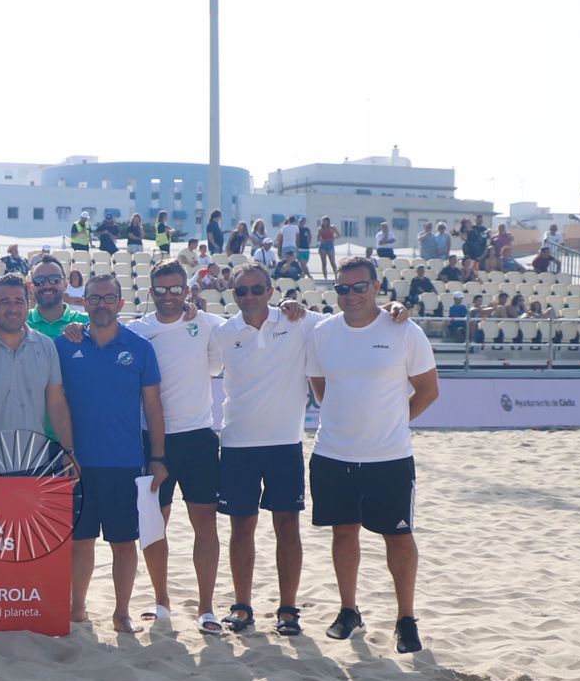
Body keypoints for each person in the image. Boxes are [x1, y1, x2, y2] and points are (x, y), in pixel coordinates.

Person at [306, 258, 439, 653]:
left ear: (376, 287)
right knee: (343, 533)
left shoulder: (404, 330)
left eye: (359, 287)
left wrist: (395, 420)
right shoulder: (323, 333)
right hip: (333, 453)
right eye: (342, 288)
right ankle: (349, 610)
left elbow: (428, 391)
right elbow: (319, 385)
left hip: (389, 457)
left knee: (398, 537)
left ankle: (406, 619)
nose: (351, 295)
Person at [57, 274, 167, 634]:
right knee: (80, 541)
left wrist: (158, 457)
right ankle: (77, 609)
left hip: (124, 463)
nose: (101, 303)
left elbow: (153, 406)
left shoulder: (139, 348)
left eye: (108, 297)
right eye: (94, 298)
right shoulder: (64, 345)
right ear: (83, 303)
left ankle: (121, 613)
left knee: (123, 542)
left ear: (120, 303)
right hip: (78, 463)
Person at [211, 261, 315, 636]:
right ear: (232, 294)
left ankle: (288, 609)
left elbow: (350, 321)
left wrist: (393, 311)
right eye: (242, 291)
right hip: (237, 443)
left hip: (285, 443)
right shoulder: (222, 333)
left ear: (271, 291)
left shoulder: (299, 320)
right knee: (242, 527)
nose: (250, 296)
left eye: (258, 289)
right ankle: (242, 606)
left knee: (288, 526)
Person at [122, 262, 226, 632]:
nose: (169, 296)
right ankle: (161, 600)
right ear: (151, 293)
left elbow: (220, 361)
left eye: (175, 289)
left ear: (187, 290)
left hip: (198, 437)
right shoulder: (136, 330)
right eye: (161, 290)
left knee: (205, 524)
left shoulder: (208, 325)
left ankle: (206, 608)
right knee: (154, 524)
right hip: (152, 441)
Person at [0, 273, 74, 481]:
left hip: (36, 466)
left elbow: (56, 403)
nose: (12, 309)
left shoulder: (46, 346)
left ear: (29, 304)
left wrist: (69, 451)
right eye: (5, 302)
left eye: (19, 301)